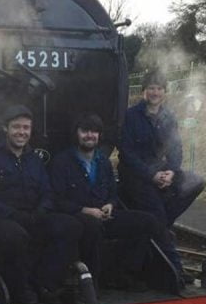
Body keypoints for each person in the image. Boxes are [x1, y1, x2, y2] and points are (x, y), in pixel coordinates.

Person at [0, 105, 82, 304]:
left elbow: (47, 191)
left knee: (69, 226)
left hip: (32, 215)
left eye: (26, 128)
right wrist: (11, 214)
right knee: (15, 236)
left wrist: (41, 211)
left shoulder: (34, 159)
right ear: (6, 128)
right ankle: (19, 289)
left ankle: (45, 283)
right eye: (17, 127)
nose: (22, 132)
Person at [49, 112, 163, 290]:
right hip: (78, 216)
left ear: (99, 135)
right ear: (76, 133)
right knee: (91, 226)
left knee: (147, 221)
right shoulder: (62, 162)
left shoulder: (104, 162)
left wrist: (110, 205)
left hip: (104, 215)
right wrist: (86, 210)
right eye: (85, 131)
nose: (90, 135)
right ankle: (91, 283)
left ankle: (124, 272)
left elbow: (112, 192)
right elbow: (56, 199)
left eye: (94, 131)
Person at [118, 71, 206, 280]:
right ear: (144, 91)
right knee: (156, 211)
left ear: (164, 92)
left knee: (196, 181)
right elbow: (126, 153)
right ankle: (175, 269)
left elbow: (176, 149)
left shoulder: (169, 118)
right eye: (151, 88)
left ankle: (161, 225)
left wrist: (172, 172)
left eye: (159, 88)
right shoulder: (131, 116)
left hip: (163, 172)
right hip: (137, 176)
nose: (155, 92)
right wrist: (151, 175)